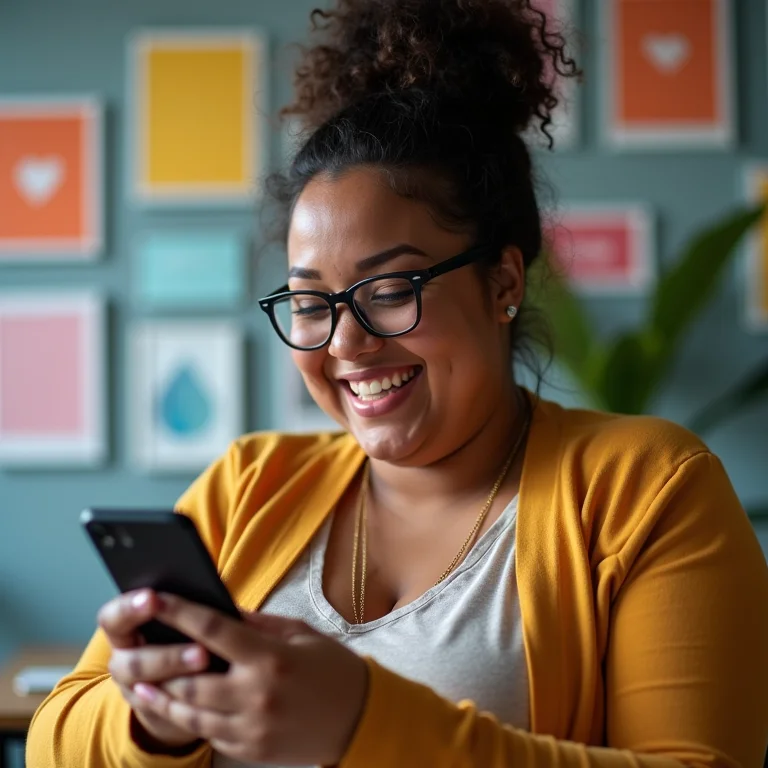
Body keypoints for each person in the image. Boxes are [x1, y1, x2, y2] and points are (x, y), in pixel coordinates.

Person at [28, 0, 768, 766]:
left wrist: (361, 722)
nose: (346, 341)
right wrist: (153, 718)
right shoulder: (248, 487)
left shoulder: (647, 490)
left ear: (502, 280)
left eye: (389, 290)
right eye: (311, 302)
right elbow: (55, 739)